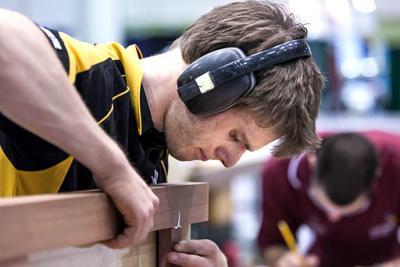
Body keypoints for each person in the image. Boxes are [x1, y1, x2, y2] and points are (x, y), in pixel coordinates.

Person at [0, 0, 323, 251]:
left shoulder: (152, 157)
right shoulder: (90, 76)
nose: (230, 160)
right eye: (236, 136)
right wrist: (112, 168)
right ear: (211, 82)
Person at [256, 131, 400, 267]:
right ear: (312, 163)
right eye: (324, 205)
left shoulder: (396, 164)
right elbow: (272, 243)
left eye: (349, 211)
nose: (333, 218)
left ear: (377, 177)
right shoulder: (279, 172)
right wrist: (284, 260)